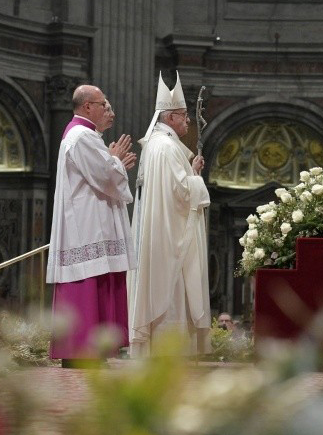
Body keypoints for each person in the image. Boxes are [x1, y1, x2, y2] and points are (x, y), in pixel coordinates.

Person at [46, 84, 137, 364]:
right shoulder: (82, 135)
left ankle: (92, 350)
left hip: (89, 222)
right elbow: (106, 177)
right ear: (88, 107)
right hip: (87, 227)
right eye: (104, 105)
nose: (109, 110)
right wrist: (116, 161)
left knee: (97, 280)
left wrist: (111, 160)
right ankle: (82, 351)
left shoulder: (85, 135)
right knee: (87, 282)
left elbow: (103, 171)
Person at [128, 72, 211, 357]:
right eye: (184, 115)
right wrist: (196, 181)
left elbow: (175, 186)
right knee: (173, 290)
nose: (188, 120)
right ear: (170, 117)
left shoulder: (159, 145)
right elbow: (182, 195)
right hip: (170, 238)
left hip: (162, 231)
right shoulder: (166, 147)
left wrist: (193, 172)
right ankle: (170, 352)